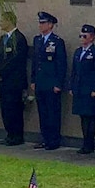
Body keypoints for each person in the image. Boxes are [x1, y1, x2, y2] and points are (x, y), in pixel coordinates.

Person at [31, 12, 67, 150]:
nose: (40, 25)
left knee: (53, 112)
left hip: (51, 83)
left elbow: (61, 64)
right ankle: (45, 138)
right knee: (43, 112)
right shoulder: (37, 40)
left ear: (50, 25)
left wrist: (58, 84)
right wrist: (33, 79)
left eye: (43, 23)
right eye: (40, 23)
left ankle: (53, 140)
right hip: (40, 82)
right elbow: (35, 62)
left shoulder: (57, 41)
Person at [70, 23, 95, 154]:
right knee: (83, 117)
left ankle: (89, 144)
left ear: (92, 37)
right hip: (79, 89)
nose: (82, 38)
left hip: (90, 90)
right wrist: (72, 86)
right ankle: (85, 143)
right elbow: (74, 71)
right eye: (80, 36)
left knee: (91, 117)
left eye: (85, 36)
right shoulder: (78, 52)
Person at [0, 11, 29, 146]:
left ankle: (16, 136)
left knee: (14, 108)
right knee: (6, 109)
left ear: (9, 21)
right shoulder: (3, 39)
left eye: (2, 20)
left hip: (14, 81)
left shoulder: (19, 38)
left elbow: (15, 60)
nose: (0, 23)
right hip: (3, 81)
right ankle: (9, 134)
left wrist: (1, 72)